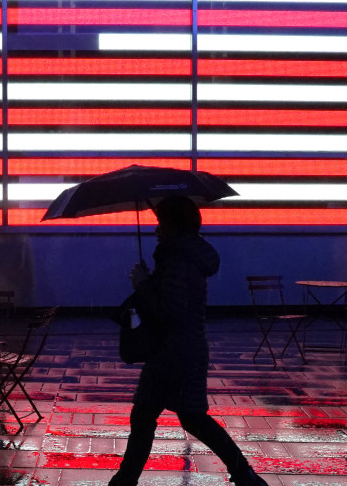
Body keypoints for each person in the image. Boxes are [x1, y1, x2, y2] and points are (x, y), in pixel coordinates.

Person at [110, 196, 268, 486]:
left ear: (174, 225)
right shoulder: (182, 256)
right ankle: (244, 474)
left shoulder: (178, 259)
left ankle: (124, 482)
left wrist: (142, 283)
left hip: (174, 353)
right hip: (181, 350)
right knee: (173, 416)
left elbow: (170, 310)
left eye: (161, 223)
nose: (156, 230)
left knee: (166, 416)